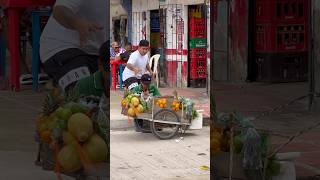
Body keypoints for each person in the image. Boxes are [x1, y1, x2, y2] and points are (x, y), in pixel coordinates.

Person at [39, 0, 108, 92]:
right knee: (84, 93)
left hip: (95, 54)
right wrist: (77, 23)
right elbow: (59, 10)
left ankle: (61, 83)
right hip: (62, 47)